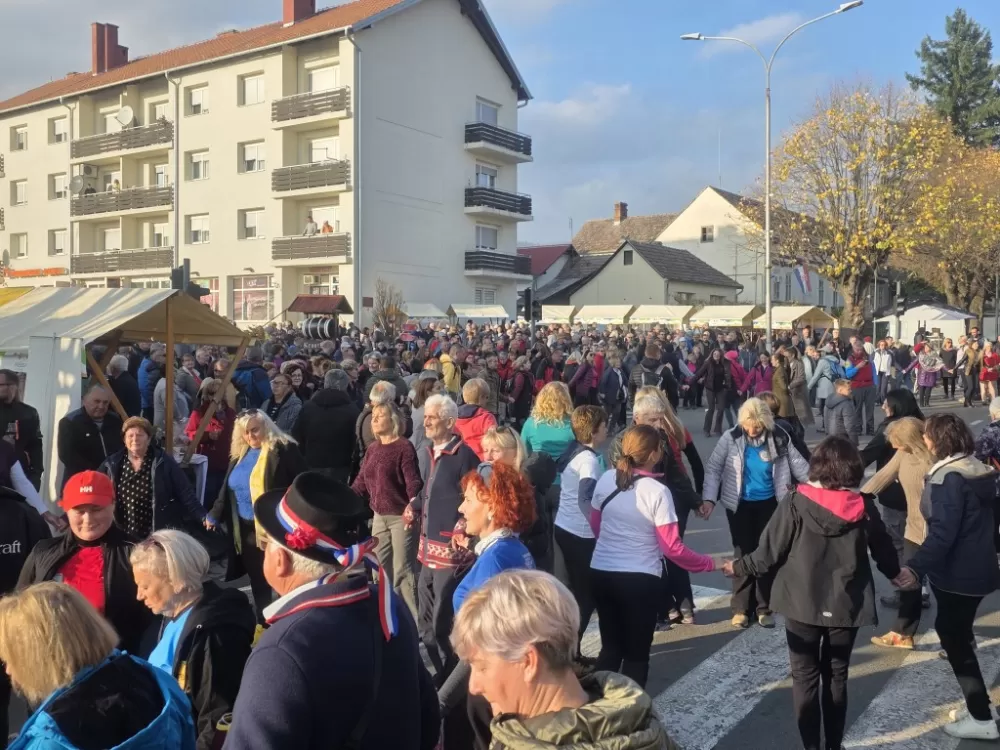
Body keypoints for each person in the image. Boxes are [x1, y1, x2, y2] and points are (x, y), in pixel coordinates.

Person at [224, 472, 440, 750]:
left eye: (265, 544)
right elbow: (428, 720)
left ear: (281, 561)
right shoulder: (388, 606)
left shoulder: (281, 651)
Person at [722, 436, 902, 750]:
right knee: (837, 675)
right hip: (846, 604)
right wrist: (898, 575)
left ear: (818, 466)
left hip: (801, 602)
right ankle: (833, 745)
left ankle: (811, 746)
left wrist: (737, 567)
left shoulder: (796, 502)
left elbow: (767, 554)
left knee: (804, 677)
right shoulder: (864, 506)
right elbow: (884, 551)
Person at [451, 570, 675, 749]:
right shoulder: (639, 720)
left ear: (528, 662)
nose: (474, 686)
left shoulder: (525, 739)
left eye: (481, 667)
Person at [893, 414, 1000, 739]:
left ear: (939, 440)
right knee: (959, 632)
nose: (925, 440)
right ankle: (978, 704)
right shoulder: (976, 469)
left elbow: (942, 534)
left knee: (953, 636)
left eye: (928, 436)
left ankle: (981, 719)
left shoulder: (947, 479)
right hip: (980, 567)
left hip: (958, 573)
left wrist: (915, 568)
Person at [0, 582, 196, 750]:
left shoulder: (51, 740)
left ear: (39, 656)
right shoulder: (154, 678)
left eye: (11, 659)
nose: (8, 670)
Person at [591, 425, 715, 687]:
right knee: (636, 655)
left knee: (610, 649)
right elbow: (673, 549)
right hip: (640, 579)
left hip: (602, 573)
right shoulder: (658, 492)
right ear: (654, 454)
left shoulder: (606, 479)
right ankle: (631, 715)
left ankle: (595, 710)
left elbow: (595, 526)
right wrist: (711, 563)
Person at [131, 530, 255, 750]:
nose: (139, 596)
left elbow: (218, 718)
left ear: (175, 579)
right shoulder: (174, 616)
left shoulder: (215, 633)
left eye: (146, 586)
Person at [702, 398, 810, 629]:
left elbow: (800, 467)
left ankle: (764, 607)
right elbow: (713, 469)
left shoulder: (779, 436)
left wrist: (822, 489)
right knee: (742, 551)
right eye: (748, 425)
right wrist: (709, 499)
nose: (752, 431)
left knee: (766, 553)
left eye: (757, 426)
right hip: (739, 505)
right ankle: (741, 608)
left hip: (771, 503)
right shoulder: (731, 437)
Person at [18, 471, 153, 655]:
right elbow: (20, 609)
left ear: (112, 506)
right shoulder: (43, 551)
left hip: (113, 668)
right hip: (53, 667)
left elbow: (152, 623)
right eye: (79, 510)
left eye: (96, 509)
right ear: (65, 509)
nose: (88, 519)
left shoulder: (137, 553)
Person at [206, 410, 305, 622]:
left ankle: (290, 622)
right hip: (245, 529)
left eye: (254, 430)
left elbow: (301, 485)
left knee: (282, 579)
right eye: (245, 432)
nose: (250, 436)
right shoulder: (240, 454)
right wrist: (214, 513)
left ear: (266, 427)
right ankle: (264, 624)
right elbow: (227, 488)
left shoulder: (283, 449)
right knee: (258, 580)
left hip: (276, 528)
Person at [864, 417, 934, 649]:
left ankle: (959, 637)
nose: (893, 445)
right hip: (913, 529)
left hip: (938, 532)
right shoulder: (903, 454)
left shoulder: (934, 459)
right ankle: (903, 633)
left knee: (947, 588)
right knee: (909, 583)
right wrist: (857, 499)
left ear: (910, 440)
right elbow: (882, 477)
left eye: (897, 441)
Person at [352, 403, 423, 619]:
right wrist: (343, 498)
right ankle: (385, 616)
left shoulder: (404, 447)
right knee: (379, 569)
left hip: (401, 516)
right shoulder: (373, 448)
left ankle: (412, 622)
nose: (374, 419)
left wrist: (414, 503)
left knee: (403, 570)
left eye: (380, 415)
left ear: (392, 420)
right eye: (373, 415)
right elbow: (361, 481)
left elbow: (413, 480)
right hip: (379, 516)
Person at [554, 406, 608, 644]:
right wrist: (601, 530)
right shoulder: (589, 461)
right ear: (595, 432)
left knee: (573, 593)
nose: (607, 430)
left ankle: (568, 648)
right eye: (604, 426)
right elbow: (586, 499)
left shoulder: (573, 451)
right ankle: (571, 649)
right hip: (580, 535)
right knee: (587, 598)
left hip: (563, 527)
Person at [100, 417, 205, 538]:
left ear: (149, 439)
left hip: (154, 533)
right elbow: (95, 486)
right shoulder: (112, 463)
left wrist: (202, 516)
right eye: (130, 436)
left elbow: (185, 492)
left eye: (140, 435)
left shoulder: (163, 462)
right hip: (122, 534)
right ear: (124, 439)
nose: (135, 439)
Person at [860, 389, 924, 571]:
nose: (882, 407)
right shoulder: (921, 423)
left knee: (897, 542)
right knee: (918, 541)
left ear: (895, 407)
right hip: (920, 494)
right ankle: (922, 587)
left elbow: (870, 454)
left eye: (886, 404)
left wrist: (844, 471)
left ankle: (908, 589)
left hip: (894, 494)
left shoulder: (892, 428)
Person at [480, 426, 554, 573]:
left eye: (495, 451)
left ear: (515, 452)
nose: (487, 458)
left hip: (526, 565)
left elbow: (517, 530)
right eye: (485, 450)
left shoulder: (523, 486)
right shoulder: (497, 482)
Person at [293, 369, 360, 482]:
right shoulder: (353, 410)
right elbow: (356, 441)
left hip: (311, 462)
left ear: (325, 383)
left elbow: (297, 434)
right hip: (340, 466)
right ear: (345, 385)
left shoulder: (308, 407)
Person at [57, 383, 124, 491]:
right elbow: (67, 456)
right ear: (84, 400)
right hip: (81, 483)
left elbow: (121, 448)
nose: (101, 406)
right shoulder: (70, 422)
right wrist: (97, 472)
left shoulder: (115, 420)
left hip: (111, 483)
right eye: (97, 401)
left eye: (105, 402)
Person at [184, 379, 236, 511]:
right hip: (208, 459)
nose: (215, 396)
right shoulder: (199, 412)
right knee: (209, 492)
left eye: (218, 393)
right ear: (207, 395)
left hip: (226, 458)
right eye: (212, 393)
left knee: (224, 492)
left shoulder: (230, 413)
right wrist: (207, 435)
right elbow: (189, 433)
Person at [0, 369, 43, 490]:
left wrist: (36, 476)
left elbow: (35, 446)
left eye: (0, 385)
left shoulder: (28, 413)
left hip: (20, 476)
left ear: (13, 387)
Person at [521, 382, 575, 466]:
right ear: (566, 400)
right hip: (567, 474)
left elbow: (523, 452)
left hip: (538, 474)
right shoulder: (574, 423)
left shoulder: (531, 423)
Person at [454, 378, 497, 461]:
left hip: (458, 459)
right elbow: (494, 441)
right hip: (479, 461)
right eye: (486, 397)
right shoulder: (487, 417)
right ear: (481, 398)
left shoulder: (454, 416)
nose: (487, 401)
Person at [693, 347, 732, 437]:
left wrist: (728, 387)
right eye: (715, 354)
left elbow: (728, 376)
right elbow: (699, 374)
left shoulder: (725, 363)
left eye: (718, 354)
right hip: (710, 388)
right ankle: (707, 429)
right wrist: (690, 383)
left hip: (721, 388)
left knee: (721, 409)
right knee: (711, 409)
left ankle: (718, 429)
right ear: (712, 355)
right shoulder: (708, 363)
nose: (716, 356)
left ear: (721, 355)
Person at [599, 352, 628, 432]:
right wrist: (602, 393)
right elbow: (603, 382)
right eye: (618, 362)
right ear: (613, 363)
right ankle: (603, 429)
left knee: (616, 413)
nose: (619, 363)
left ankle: (610, 429)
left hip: (618, 396)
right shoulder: (609, 372)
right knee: (607, 415)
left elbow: (625, 381)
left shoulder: (620, 371)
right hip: (609, 397)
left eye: (620, 362)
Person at [825, 379, 859, 446]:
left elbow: (826, 422)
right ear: (840, 390)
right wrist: (854, 443)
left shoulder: (828, 401)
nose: (851, 391)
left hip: (830, 438)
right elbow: (850, 426)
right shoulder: (846, 404)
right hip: (843, 439)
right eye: (848, 389)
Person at [786, 346, 813, 427]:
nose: (786, 358)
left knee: (800, 413)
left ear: (793, 355)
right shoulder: (786, 364)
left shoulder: (799, 364)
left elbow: (801, 378)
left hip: (797, 391)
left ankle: (801, 427)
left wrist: (790, 386)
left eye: (788, 356)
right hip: (791, 392)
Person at [138, 346, 166, 422]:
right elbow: (146, 388)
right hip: (150, 404)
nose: (164, 358)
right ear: (154, 355)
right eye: (162, 355)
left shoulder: (147, 363)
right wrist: (153, 404)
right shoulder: (152, 367)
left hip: (149, 403)